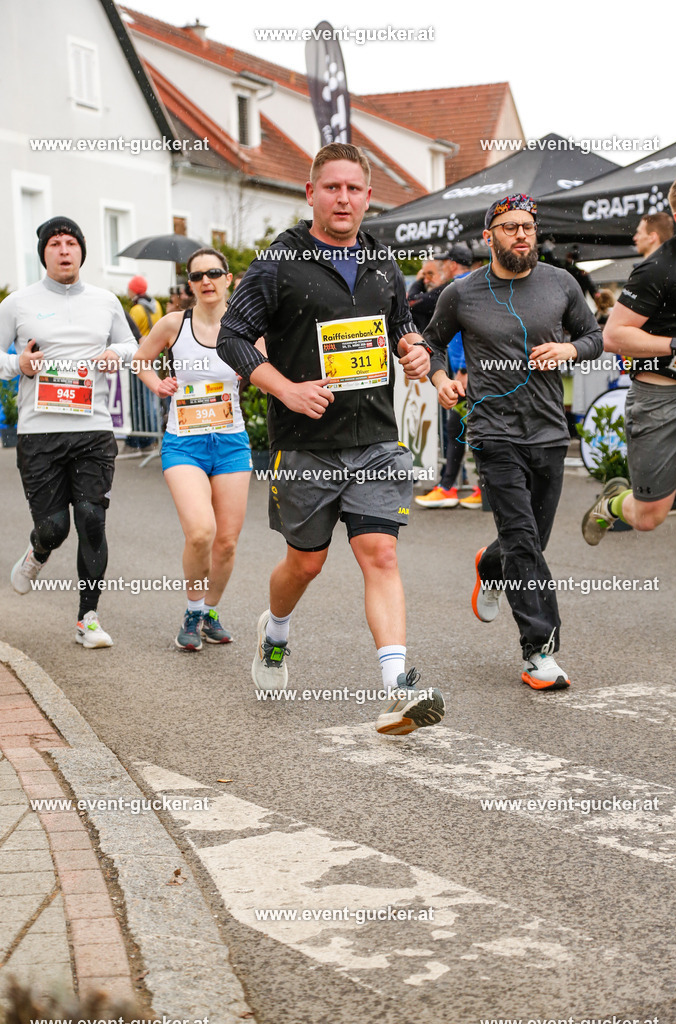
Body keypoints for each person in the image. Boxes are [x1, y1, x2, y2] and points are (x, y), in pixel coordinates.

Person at [217, 142, 445, 736]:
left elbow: (403, 326)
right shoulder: (277, 263)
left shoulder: (382, 262)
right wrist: (286, 390)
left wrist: (415, 351)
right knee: (306, 563)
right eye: (331, 187)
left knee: (381, 553)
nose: (342, 198)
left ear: (368, 198)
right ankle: (275, 631)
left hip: (375, 439)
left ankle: (398, 688)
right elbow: (232, 338)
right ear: (311, 193)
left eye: (353, 189)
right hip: (305, 445)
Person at [424, 194, 603, 690]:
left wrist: (569, 347)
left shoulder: (560, 283)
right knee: (524, 540)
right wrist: (440, 380)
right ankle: (539, 652)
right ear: (490, 236)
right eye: (509, 228)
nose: (522, 235)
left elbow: (595, 337)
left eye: (527, 226)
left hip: (548, 431)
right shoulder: (461, 292)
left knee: (532, 542)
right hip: (492, 431)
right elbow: (431, 343)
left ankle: (489, 563)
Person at [0, 216, 137, 647]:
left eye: (71, 243)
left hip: (93, 429)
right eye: (55, 243)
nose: (64, 250)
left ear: (81, 251)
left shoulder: (105, 300)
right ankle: (37, 552)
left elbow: (132, 345)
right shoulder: (18, 303)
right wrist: (16, 366)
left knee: (92, 519)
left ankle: (88, 618)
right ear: (43, 253)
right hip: (39, 431)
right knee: (55, 527)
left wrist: (117, 353)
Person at [132, 248, 251, 651]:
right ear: (190, 285)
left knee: (227, 541)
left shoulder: (247, 325)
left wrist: (253, 368)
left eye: (214, 272)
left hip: (232, 441)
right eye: (198, 275)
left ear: (228, 278)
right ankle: (192, 610)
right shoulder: (172, 324)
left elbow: (269, 364)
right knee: (201, 532)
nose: (207, 280)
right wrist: (156, 384)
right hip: (184, 442)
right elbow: (141, 360)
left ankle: (209, 612)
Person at [582, 176, 676, 543]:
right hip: (661, 398)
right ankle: (610, 504)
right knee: (649, 516)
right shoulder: (657, 269)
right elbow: (613, 336)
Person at [415, 244, 475, 509]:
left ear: (451, 265)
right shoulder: (475, 284)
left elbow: (465, 334)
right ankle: (455, 486)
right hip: (470, 369)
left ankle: (452, 487)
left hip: (466, 371)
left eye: (443, 263)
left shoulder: (457, 287)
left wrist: (462, 371)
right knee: (464, 427)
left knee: (461, 427)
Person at [122, 276, 163, 456]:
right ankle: (152, 437)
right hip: (154, 354)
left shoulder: (137, 309)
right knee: (150, 396)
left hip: (139, 355)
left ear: (134, 290)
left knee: (139, 398)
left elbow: (128, 332)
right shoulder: (157, 306)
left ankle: (142, 439)